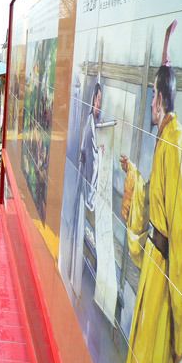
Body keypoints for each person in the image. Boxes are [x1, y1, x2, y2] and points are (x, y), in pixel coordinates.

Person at [120, 62, 182, 363]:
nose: (151, 101)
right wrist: (133, 174)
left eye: (153, 94)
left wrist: (180, 324)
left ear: (161, 99)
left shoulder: (175, 142)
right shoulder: (166, 137)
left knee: (151, 355)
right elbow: (155, 197)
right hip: (155, 266)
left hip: (164, 277)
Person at [69, 83, 103, 297]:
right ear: (92, 100)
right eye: (97, 100)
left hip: (84, 187)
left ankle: (76, 276)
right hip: (84, 188)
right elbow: (88, 156)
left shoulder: (93, 124)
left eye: (101, 100)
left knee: (80, 233)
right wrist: (100, 154)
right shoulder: (90, 126)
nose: (99, 104)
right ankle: (76, 278)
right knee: (80, 231)